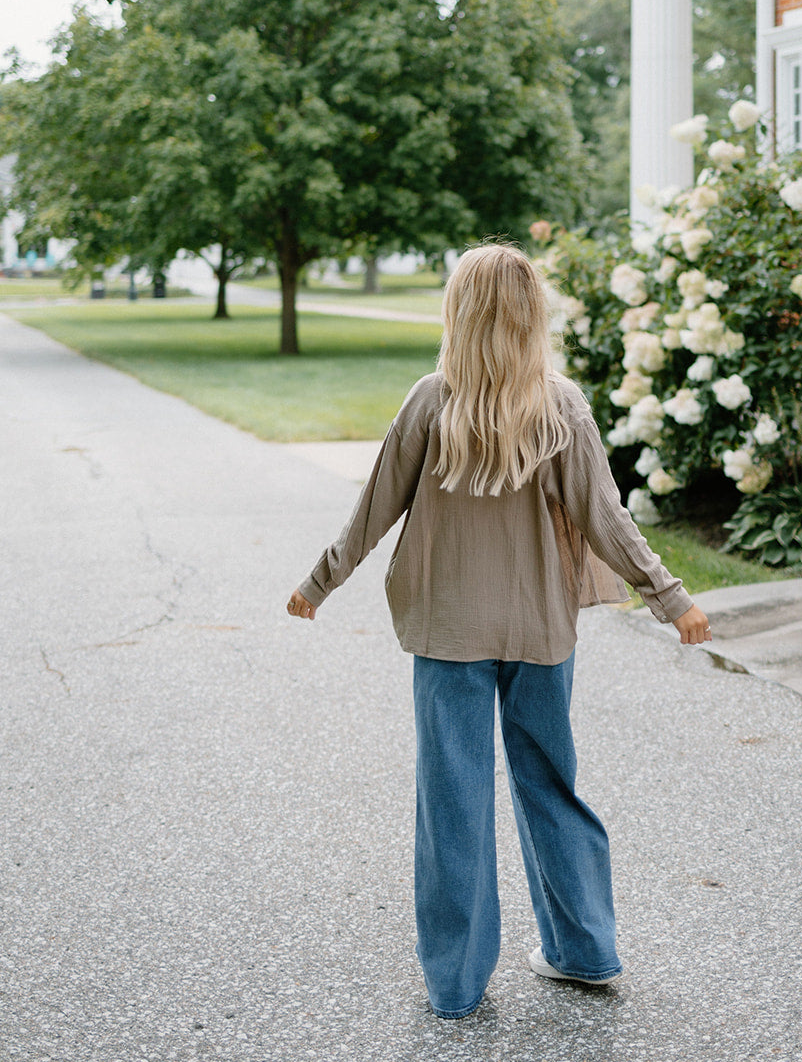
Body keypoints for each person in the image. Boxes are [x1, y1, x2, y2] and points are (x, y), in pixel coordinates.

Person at [287, 242, 711, 1019]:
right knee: (549, 782)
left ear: (459, 313)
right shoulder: (560, 404)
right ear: (529, 317)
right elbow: (606, 519)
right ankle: (583, 950)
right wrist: (670, 598)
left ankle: (455, 983)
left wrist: (320, 582)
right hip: (539, 629)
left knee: (451, 798)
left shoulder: (431, 399)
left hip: (447, 631)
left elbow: (372, 507)